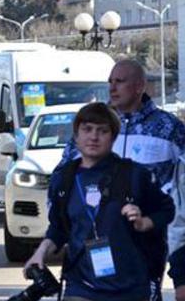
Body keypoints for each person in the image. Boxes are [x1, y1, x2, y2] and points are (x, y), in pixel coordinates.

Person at [59, 60, 185, 300]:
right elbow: (64, 178)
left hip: (143, 242)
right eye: (110, 82)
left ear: (139, 86)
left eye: (120, 81)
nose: (112, 88)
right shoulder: (94, 127)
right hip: (92, 238)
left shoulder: (169, 128)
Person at [26, 102, 174, 301]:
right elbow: (58, 228)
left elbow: (166, 209)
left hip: (130, 287)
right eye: (87, 129)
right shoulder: (64, 179)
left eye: (102, 131)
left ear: (113, 138)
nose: (94, 137)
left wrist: (144, 222)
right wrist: (41, 253)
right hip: (80, 286)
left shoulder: (134, 175)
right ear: (76, 135)